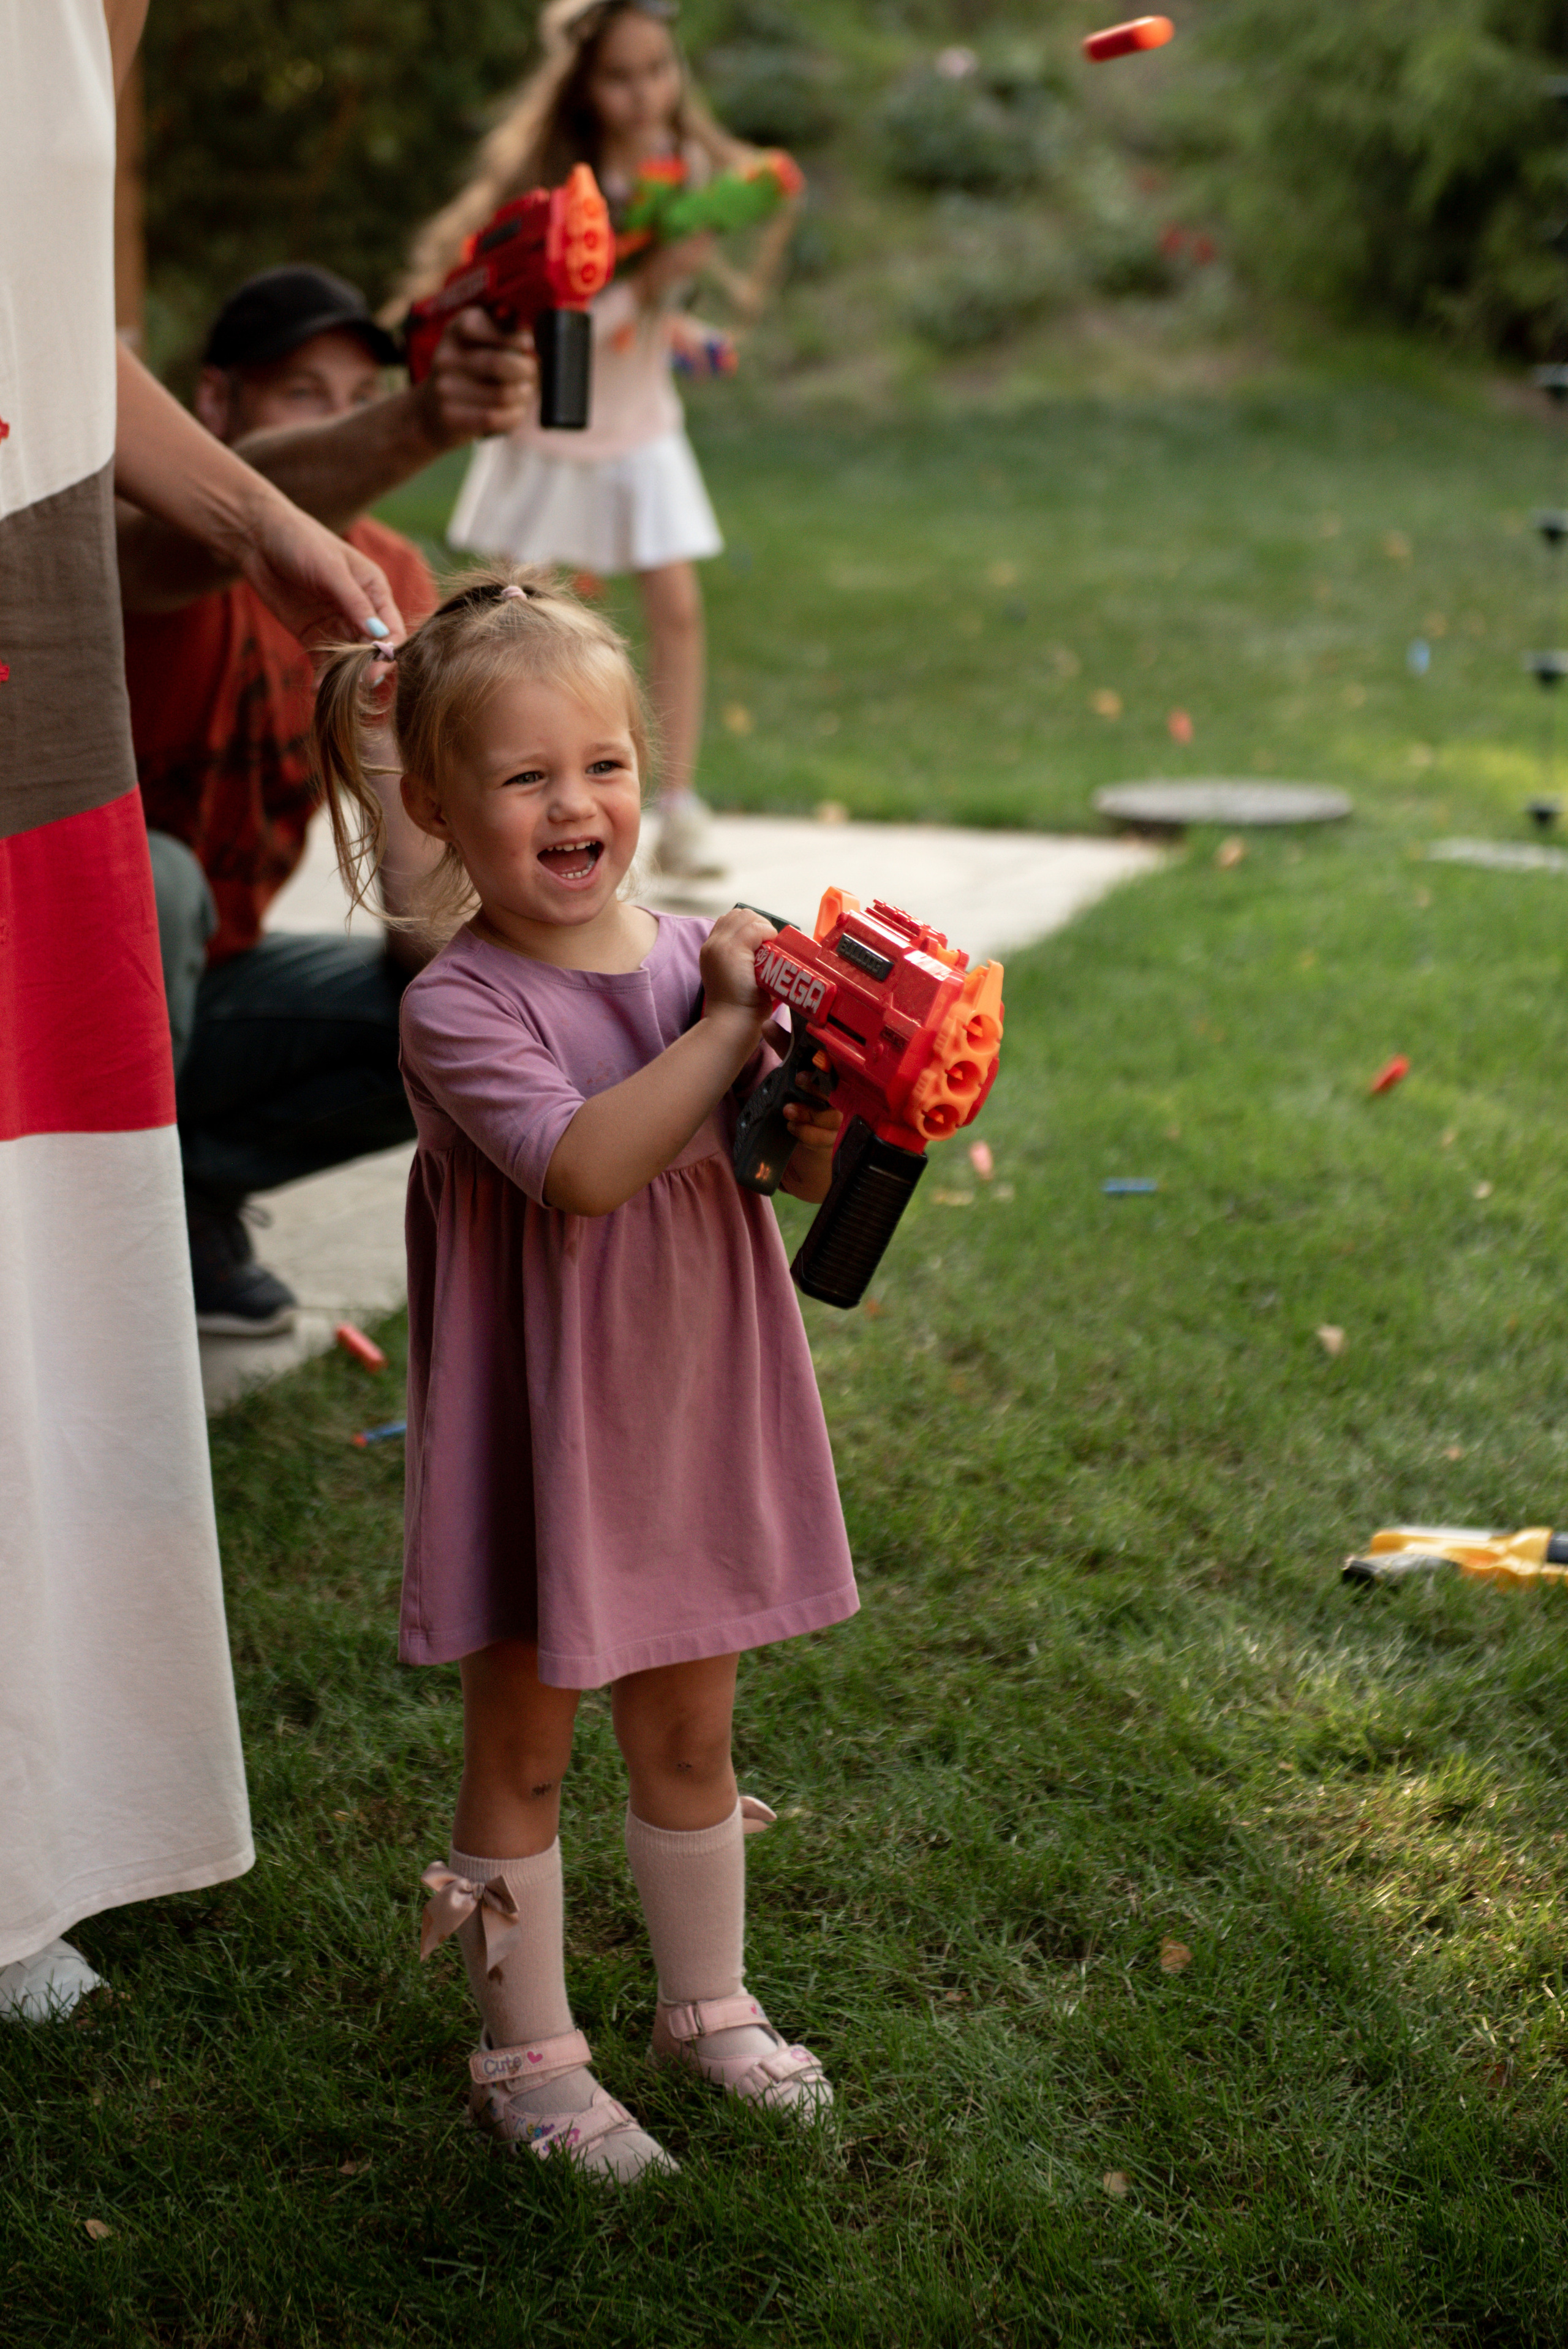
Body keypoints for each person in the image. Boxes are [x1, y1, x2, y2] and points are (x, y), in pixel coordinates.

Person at [311, 566, 859, 2180]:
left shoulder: (709, 960)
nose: (576, 805)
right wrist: (725, 1017)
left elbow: (793, 1169)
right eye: (525, 775)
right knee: (526, 1749)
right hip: (544, 1433)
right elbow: (581, 1167)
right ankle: (525, 2054)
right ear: (435, 801)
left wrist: (843, 1113)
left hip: (691, 1407)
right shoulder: (461, 1003)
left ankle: (712, 2003)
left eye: (605, 767)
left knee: (693, 1732)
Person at [0, 0, 405, 2021]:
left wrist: (278, 529)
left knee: (40, 1221)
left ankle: (16, 1829)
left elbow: (43, 322)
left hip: (31, 669)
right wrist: (264, 512)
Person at [118, 268, 537, 1333]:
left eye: (361, 397)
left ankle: (185, 1193)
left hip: (213, 990)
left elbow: (420, 914)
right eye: (306, 392)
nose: (341, 424)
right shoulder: (140, 534)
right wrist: (422, 418)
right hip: (55, 989)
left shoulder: (387, 581)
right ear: (211, 407)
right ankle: (104, 1228)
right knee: (157, 874)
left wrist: (566, 1026)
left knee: (468, 1004)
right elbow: (219, 520)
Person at [396, 0, 798, 882]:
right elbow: (562, 325)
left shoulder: (683, 169)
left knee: (678, 609)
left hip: (641, 425)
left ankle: (680, 802)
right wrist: (651, 282)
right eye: (621, 75)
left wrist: (680, 327)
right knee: (508, 623)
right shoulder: (556, 188)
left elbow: (645, 310)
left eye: (659, 69)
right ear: (584, 82)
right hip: (551, 431)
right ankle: (477, 800)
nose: (646, 92)